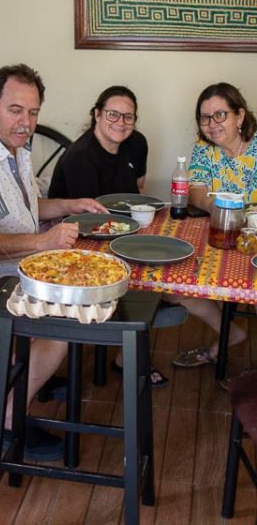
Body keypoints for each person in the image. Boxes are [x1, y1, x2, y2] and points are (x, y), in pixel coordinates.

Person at [0, 63, 107, 461]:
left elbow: (23, 205)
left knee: (85, 264)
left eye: (33, 112)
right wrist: (44, 240)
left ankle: (32, 370)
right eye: (15, 110)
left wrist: (69, 205)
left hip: (18, 262)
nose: (26, 122)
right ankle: (4, 423)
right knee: (70, 314)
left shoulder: (12, 145)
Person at [48, 85, 188, 386]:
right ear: (97, 114)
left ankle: (139, 325)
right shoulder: (80, 157)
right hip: (81, 240)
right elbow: (88, 222)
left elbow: (137, 191)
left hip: (124, 230)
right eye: (113, 114)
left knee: (172, 259)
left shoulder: (137, 143)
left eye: (128, 116)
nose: (121, 122)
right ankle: (131, 344)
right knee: (150, 269)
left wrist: (142, 227)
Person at [171, 82, 256, 367]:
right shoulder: (204, 150)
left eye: (220, 115)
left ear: (239, 116)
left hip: (251, 240)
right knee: (173, 286)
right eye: (205, 117)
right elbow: (195, 190)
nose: (211, 124)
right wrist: (217, 206)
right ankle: (229, 330)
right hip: (217, 233)